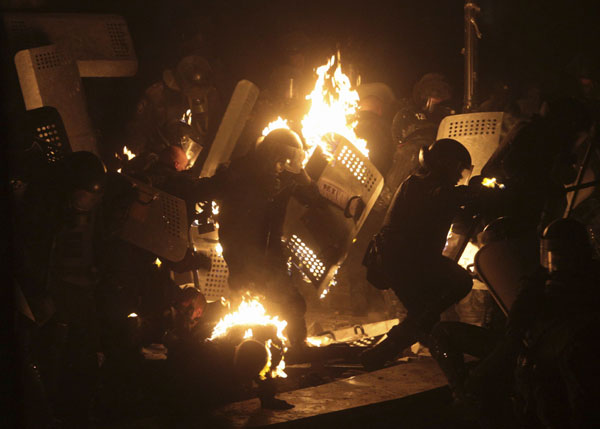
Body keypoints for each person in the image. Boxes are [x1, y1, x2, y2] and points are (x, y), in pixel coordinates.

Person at [431, 218, 600, 427]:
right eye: (550, 255)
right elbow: (516, 323)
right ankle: (466, 399)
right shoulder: (538, 279)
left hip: (560, 353)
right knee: (447, 338)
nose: (554, 263)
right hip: (522, 345)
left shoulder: (591, 281)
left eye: (561, 255)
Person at [360, 138, 474, 370]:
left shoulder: (432, 187)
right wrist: (469, 194)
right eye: (458, 169)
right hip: (400, 260)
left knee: (426, 313)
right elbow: (441, 200)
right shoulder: (418, 185)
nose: (460, 176)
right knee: (449, 290)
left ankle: (383, 353)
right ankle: (382, 353)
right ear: (445, 164)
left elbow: (451, 209)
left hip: (412, 260)